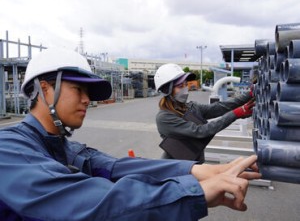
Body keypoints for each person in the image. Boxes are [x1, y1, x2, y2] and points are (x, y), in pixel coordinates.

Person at [0, 48, 261, 221]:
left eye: (88, 93)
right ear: (45, 89)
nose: (86, 101)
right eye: (78, 89)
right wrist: (195, 191)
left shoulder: (61, 147)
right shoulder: (8, 149)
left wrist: (204, 172)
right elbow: (92, 203)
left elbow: (116, 168)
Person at [154, 63, 255, 162]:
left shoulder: (190, 107)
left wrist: (249, 94)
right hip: (176, 169)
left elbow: (219, 108)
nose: (185, 89)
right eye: (180, 86)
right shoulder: (164, 117)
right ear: (167, 90)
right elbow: (200, 131)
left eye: (185, 85)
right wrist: (235, 114)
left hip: (196, 165)